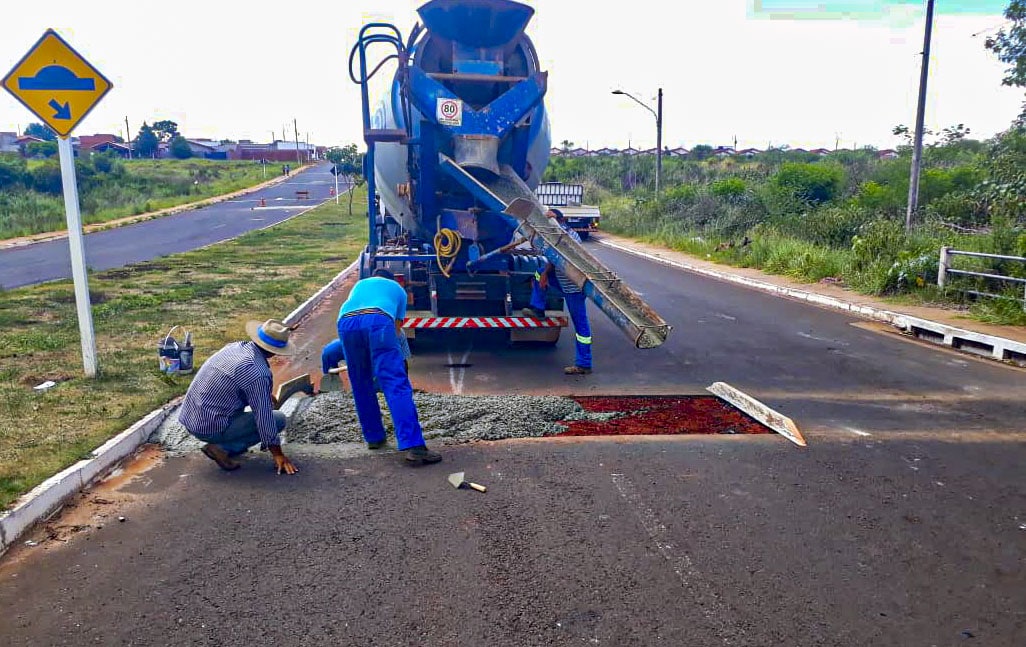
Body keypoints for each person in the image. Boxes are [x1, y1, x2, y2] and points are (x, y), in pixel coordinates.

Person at [336, 269, 441, 464]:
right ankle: (414, 447)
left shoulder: (359, 285)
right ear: (391, 279)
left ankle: (374, 437)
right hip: (378, 320)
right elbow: (397, 329)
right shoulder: (398, 290)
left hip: (345, 323)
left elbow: (356, 321)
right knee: (395, 384)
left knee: (360, 383)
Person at [178, 319, 299, 474]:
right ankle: (222, 448)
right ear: (275, 350)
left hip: (191, 416)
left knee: (263, 409)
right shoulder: (258, 373)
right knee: (278, 419)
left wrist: (264, 394)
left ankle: (223, 443)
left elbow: (236, 380)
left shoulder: (235, 347)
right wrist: (278, 454)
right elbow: (264, 418)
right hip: (209, 426)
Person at [522, 210, 593, 375]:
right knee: (539, 273)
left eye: (551, 219)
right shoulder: (555, 236)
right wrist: (546, 273)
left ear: (560, 220)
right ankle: (537, 308)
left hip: (574, 288)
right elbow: (553, 258)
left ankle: (584, 364)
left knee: (581, 326)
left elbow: (567, 254)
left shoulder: (570, 237)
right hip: (562, 281)